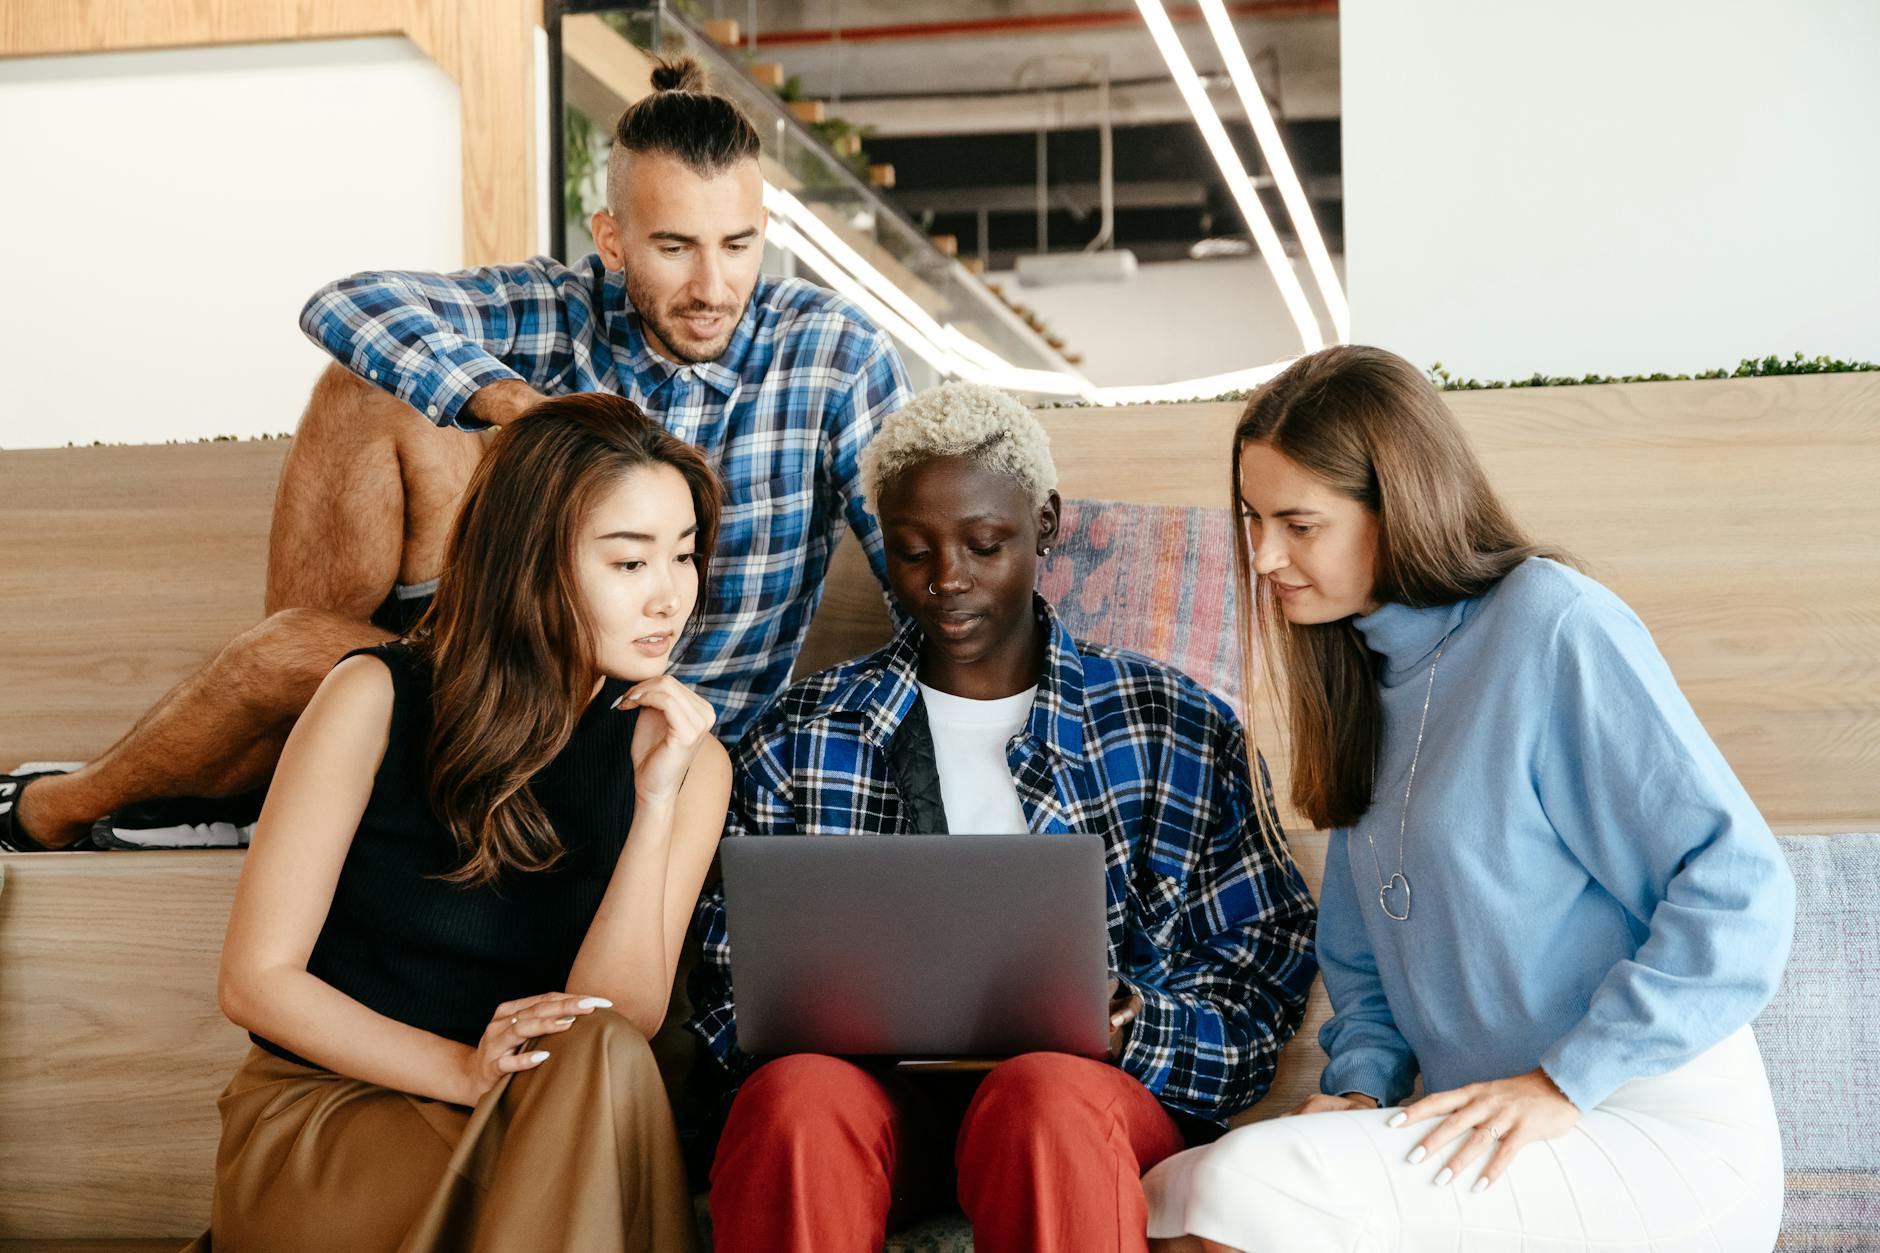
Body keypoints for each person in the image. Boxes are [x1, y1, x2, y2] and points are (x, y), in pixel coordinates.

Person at [0, 55, 907, 853]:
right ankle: (291, 756)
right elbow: (345, 304)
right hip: (512, 678)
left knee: (278, 657)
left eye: (738, 245)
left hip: (651, 744)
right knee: (361, 387)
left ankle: (56, 808)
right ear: (612, 240)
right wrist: (518, 407)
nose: (714, 287)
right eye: (674, 247)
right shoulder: (560, 305)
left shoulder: (832, 353)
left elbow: (922, 575)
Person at [1143, 345, 1795, 1253]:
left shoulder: (1552, 624)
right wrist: (1362, 1089)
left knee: (1241, 1189)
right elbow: (1363, 963)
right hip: (1491, 1124)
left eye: (1298, 523)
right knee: (1168, 1192)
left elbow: (1741, 889)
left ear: (1397, 505)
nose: (1263, 556)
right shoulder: (1358, 682)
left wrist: (1563, 1079)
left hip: (1644, 1121)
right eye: (1254, 519)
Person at [686, 381, 1318, 1253]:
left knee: (1042, 1099)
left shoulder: (1174, 723)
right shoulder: (801, 732)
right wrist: (819, 1026)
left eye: (985, 545)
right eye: (911, 552)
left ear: (1047, 524)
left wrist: (1131, 1019)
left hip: (1077, 1106)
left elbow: (1263, 973)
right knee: (795, 1099)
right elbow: (727, 990)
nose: (948, 580)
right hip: (870, 1110)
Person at [189, 393, 729, 1253]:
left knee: (604, 1055)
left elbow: (618, 1018)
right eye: (630, 564)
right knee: (580, 1180)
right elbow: (256, 980)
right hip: (336, 1117)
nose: (670, 596)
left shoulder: (687, 759)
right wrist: (462, 1071)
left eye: (685, 556)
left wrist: (655, 803)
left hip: (542, 1125)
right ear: (530, 561)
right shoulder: (374, 697)